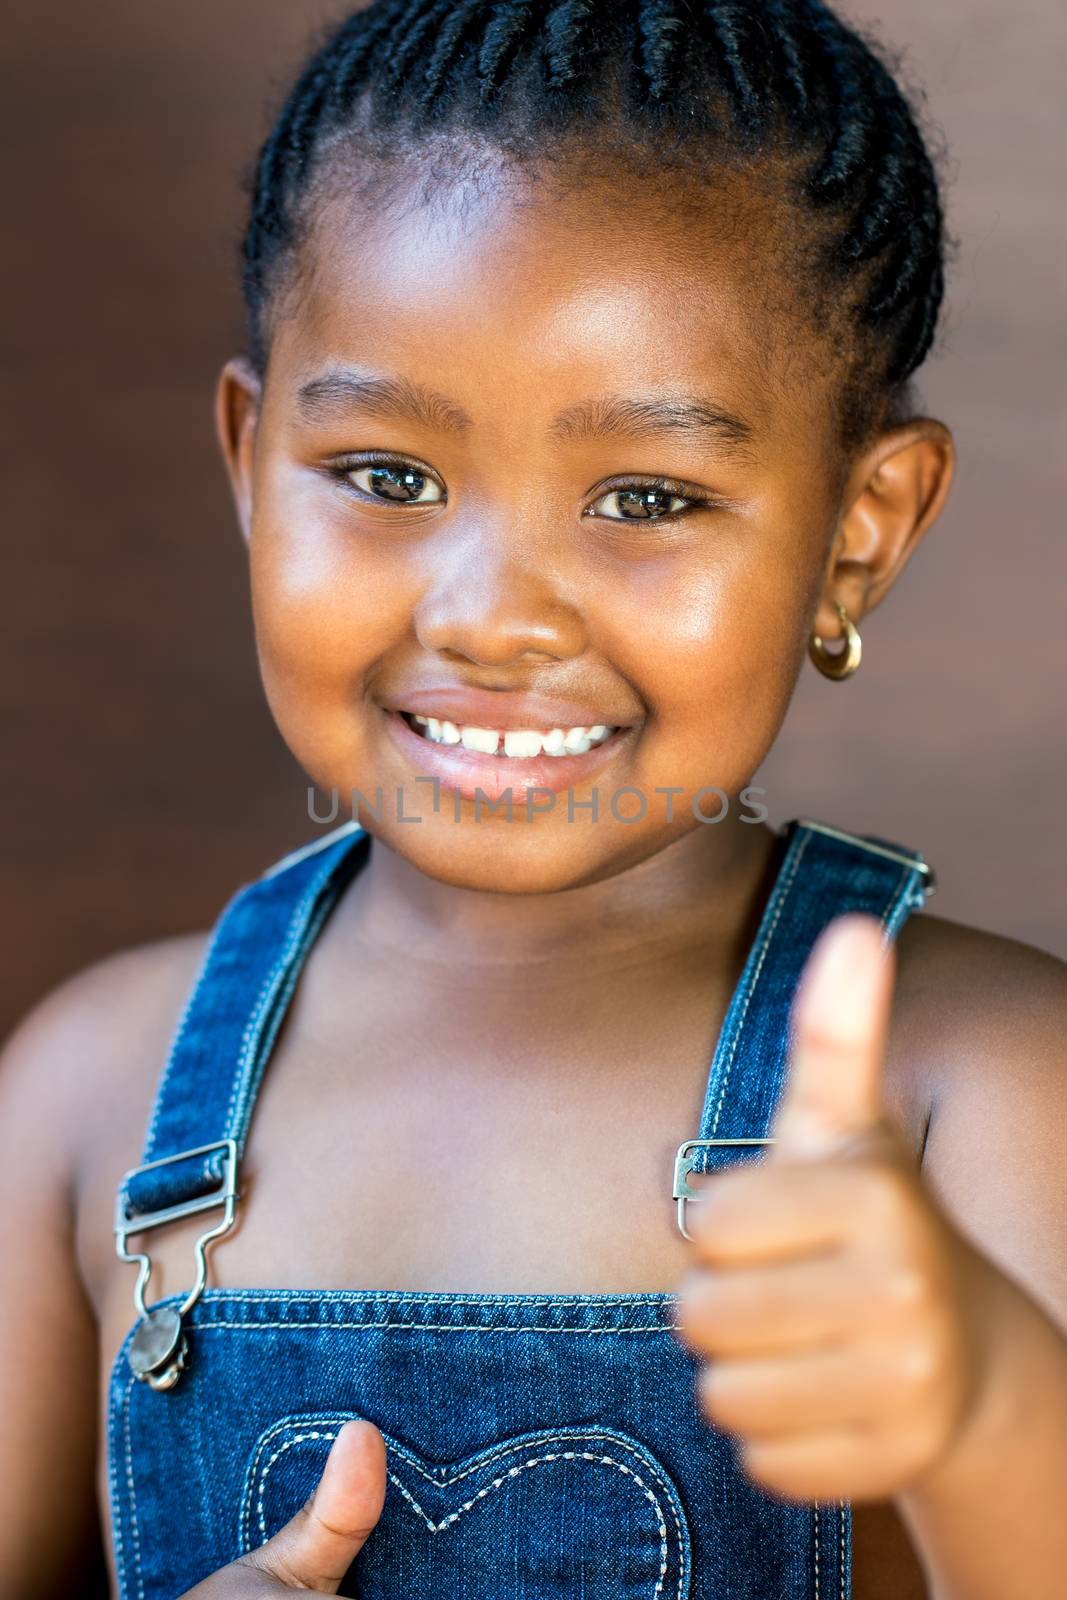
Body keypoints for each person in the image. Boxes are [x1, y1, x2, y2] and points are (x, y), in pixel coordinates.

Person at [1, 1, 1065, 1596]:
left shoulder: (980, 1085)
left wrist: (985, 1400)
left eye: (646, 497)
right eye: (387, 477)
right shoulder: (92, 1096)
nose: (493, 615)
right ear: (246, 460)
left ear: (858, 531)